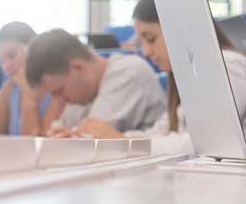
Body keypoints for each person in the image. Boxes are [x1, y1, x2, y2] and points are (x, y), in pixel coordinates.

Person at [74, 0, 246, 155]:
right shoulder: (195, 73)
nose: (146, 51)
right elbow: (164, 131)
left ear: (181, 30)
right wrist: (112, 140)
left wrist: (123, 143)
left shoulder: (228, 65)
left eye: (150, 39)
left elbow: (206, 145)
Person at [25, 28, 165, 133]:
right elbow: (58, 137)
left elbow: (90, 141)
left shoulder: (129, 72)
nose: (60, 101)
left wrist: (68, 136)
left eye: (59, 91)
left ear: (77, 68)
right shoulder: (82, 94)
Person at [0, 22, 63, 136]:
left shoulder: (59, 88)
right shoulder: (11, 86)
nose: (6, 67)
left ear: (33, 49)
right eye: (1, 60)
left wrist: (29, 96)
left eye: (11, 55)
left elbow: (37, 145)